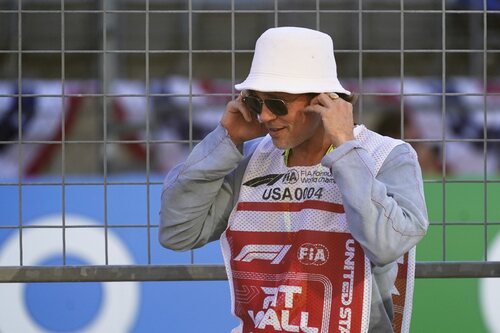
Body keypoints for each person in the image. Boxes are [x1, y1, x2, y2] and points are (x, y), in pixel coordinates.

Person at [160, 26, 428, 333]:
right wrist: (225, 140)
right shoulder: (249, 161)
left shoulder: (387, 155)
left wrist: (344, 147)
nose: (264, 117)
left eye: (276, 104)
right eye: (255, 103)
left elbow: (386, 245)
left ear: (324, 100)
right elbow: (178, 233)